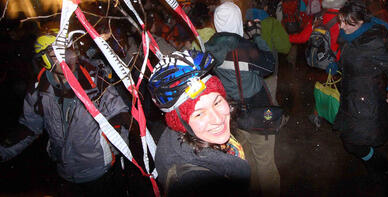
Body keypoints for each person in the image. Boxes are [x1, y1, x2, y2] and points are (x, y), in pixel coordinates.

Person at [0, 32, 134, 196]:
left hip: (100, 171)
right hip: (66, 173)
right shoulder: (39, 91)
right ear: (45, 60)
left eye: (66, 51)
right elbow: (29, 127)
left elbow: (119, 113)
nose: (65, 58)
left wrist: (113, 149)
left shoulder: (93, 79)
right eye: (56, 54)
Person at [148, 50, 250, 196]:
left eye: (217, 102)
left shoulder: (188, 134)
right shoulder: (193, 183)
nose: (218, 119)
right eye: (199, 114)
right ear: (181, 123)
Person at [205, 1, 280, 197]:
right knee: (265, 162)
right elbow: (269, 65)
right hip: (257, 112)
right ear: (237, 21)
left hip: (232, 114)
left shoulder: (209, 48)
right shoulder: (247, 48)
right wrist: (257, 36)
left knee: (247, 159)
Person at [330, 0, 388, 179]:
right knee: (352, 138)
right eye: (340, 20)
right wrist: (337, 66)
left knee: (352, 142)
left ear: (362, 21)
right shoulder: (351, 37)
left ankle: (384, 167)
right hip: (351, 94)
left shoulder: (374, 42)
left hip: (365, 98)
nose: (341, 26)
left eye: (347, 22)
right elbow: (354, 60)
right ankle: (378, 164)